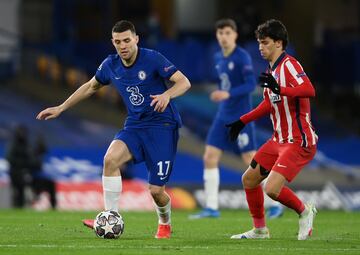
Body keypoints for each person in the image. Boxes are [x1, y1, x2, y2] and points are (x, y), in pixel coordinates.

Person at [36, 20, 191, 239]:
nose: (123, 45)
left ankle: (164, 222)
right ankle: (110, 218)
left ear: (136, 39)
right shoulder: (110, 65)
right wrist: (61, 107)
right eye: (118, 42)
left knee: (156, 191)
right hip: (135, 125)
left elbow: (184, 82)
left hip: (162, 126)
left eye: (127, 40)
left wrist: (167, 95)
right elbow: (91, 86)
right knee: (110, 160)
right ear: (113, 43)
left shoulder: (153, 58)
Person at [226, 19, 318, 240]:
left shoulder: (290, 65)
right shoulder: (271, 70)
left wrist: (282, 88)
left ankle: (305, 211)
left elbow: (309, 90)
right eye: (259, 43)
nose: (260, 47)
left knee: (272, 189)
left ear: (278, 43)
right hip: (279, 140)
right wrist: (242, 121)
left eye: (265, 42)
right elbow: (269, 103)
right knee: (249, 179)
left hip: (298, 140)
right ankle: (260, 230)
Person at [189, 18, 282, 219]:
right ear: (217, 35)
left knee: (251, 159)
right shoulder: (218, 58)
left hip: (241, 117)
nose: (224, 37)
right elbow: (227, 84)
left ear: (235, 35)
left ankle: (274, 204)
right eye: (220, 33)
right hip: (223, 115)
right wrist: (222, 94)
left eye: (228, 33)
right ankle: (212, 207)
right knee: (210, 157)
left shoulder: (242, 57)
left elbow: (251, 85)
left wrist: (227, 94)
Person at [6, 125, 32, 208]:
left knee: (21, 190)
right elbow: (9, 158)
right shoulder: (13, 144)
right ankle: (15, 205)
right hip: (14, 171)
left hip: (23, 171)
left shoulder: (26, 144)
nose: (22, 134)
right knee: (15, 190)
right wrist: (21, 163)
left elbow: (29, 157)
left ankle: (21, 206)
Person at [30, 135, 57, 209]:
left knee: (52, 189)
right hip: (36, 178)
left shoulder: (45, 155)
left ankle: (53, 207)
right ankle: (32, 202)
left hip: (44, 178)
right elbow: (32, 166)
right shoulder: (33, 155)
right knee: (38, 191)